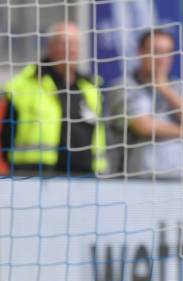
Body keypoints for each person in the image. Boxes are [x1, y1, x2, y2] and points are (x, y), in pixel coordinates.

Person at [0, 21, 107, 175]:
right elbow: (5, 133)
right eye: (63, 43)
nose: (70, 49)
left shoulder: (90, 88)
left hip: (85, 178)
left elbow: (100, 135)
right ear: (49, 46)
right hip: (33, 175)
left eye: (74, 44)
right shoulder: (23, 84)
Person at [108, 29, 183, 176]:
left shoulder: (180, 87)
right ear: (140, 52)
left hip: (182, 179)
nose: (161, 58)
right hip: (138, 179)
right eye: (156, 51)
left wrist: (164, 89)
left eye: (167, 52)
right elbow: (143, 126)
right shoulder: (124, 86)